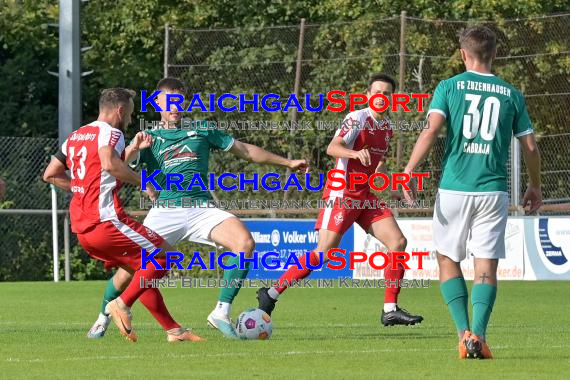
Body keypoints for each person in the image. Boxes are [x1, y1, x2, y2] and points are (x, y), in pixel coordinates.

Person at [87, 77, 310, 339]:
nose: (175, 106)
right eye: (169, 101)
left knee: (245, 243)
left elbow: (246, 151)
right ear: (156, 102)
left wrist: (287, 162)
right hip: (165, 210)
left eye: (179, 101)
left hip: (201, 209)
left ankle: (221, 311)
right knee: (130, 271)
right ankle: (102, 318)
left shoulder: (202, 130)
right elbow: (117, 167)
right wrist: (135, 147)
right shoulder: (147, 137)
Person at [403, 26, 542, 359]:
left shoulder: (448, 87)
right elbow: (531, 145)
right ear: (494, 54)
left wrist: (408, 172)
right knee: (486, 269)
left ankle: (462, 333)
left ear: (463, 53)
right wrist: (535, 185)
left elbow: (431, 130)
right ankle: (478, 336)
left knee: (447, 259)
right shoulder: (511, 93)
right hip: (493, 191)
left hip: (454, 188)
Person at [257, 73, 424, 327]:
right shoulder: (357, 118)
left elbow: (375, 169)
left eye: (387, 94)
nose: (382, 97)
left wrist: (396, 187)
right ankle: (270, 293)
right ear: (369, 96)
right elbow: (332, 148)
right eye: (377, 92)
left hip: (365, 195)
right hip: (342, 193)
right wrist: (355, 152)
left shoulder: (386, 128)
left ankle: (390, 309)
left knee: (398, 242)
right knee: (323, 252)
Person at [43, 87, 204, 342]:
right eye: (129, 114)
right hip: (107, 221)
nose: (129, 119)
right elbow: (109, 164)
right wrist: (143, 182)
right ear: (119, 110)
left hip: (83, 227)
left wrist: (81, 186)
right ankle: (121, 304)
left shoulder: (75, 136)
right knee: (168, 256)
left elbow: (50, 174)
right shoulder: (112, 132)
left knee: (141, 268)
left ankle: (174, 331)